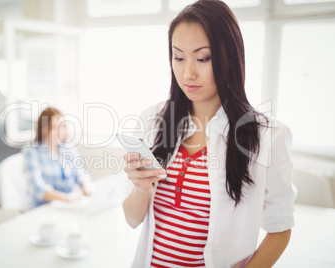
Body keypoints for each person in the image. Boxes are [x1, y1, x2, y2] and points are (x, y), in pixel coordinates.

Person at [122, 1, 296, 267]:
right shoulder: (153, 120)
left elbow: (280, 229)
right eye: (178, 57)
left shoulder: (266, 136)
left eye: (203, 58)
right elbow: (132, 219)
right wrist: (140, 188)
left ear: (231, 56)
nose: (187, 73)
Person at [22, 106, 91, 210]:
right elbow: (37, 189)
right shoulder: (32, 152)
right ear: (43, 128)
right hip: (43, 208)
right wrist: (67, 200)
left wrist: (85, 186)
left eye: (63, 126)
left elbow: (81, 173)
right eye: (54, 127)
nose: (60, 131)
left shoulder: (69, 149)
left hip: (67, 205)